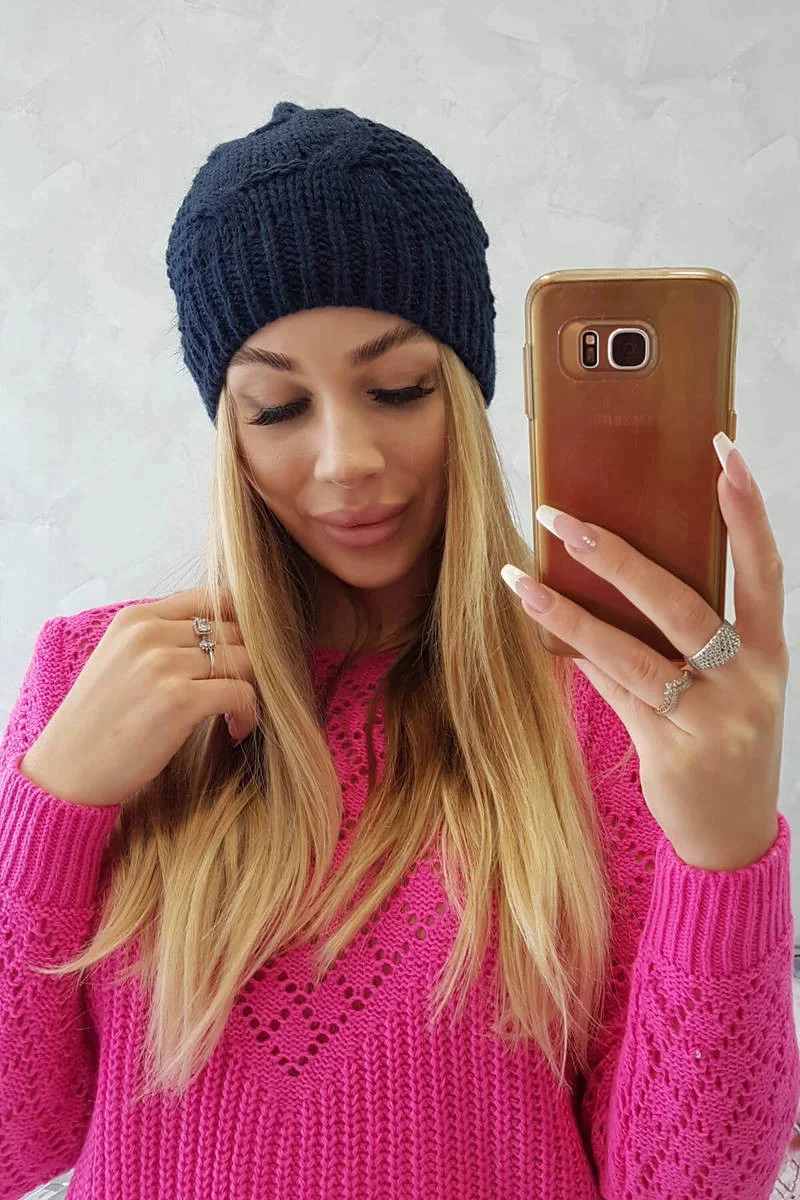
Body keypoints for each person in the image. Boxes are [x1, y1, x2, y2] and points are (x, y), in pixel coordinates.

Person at [0, 101, 796, 1200]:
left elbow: (684, 1187)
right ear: (227, 430)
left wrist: (726, 854)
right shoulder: (97, 684)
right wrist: (50, 810)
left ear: (467, 391)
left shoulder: (610, 710)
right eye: (277, 407)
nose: (346, 459)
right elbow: (16, 1142)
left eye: (399, 389)